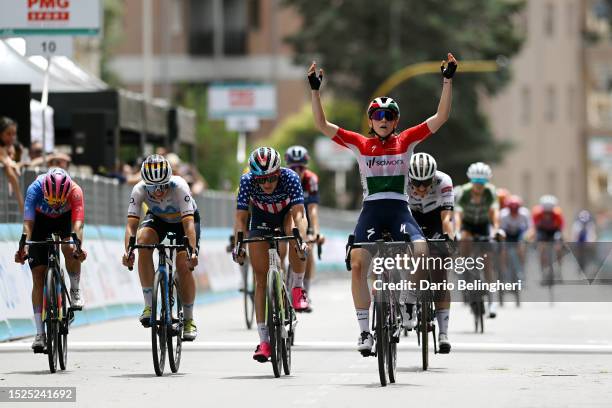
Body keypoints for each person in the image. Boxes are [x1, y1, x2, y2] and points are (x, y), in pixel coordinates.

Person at [308, 53, 456, 353]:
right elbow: (322, 124)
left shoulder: (406, 141)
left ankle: (411, 301)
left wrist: (447, 81)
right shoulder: (361, 144)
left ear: (396, 121)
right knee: (359, 263)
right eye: (378, 116)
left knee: (422, 250)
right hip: (372, 211)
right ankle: (365, 332)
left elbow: (440, 118)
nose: (384, 120)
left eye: (389, 116)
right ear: (371, 121)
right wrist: (315, 90)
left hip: (400, 209)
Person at [231, 147, 310, 362]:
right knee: (260, 280)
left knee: (294, 236)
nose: (266, 184)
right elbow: (240, 219)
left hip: (286, 216)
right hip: (261, 219)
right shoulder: (247, 181)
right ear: (254, 177)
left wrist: (302, 240)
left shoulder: (290, 177)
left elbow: (300, 214)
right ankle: (264, 341)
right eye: (261, 180)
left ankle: (297, 289)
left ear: (279, 172)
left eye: (272, 178)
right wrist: (238, 245)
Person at [121, 154, 200, 341]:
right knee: (143, 239)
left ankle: (189, 319)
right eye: (152, 187)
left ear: (169, 180)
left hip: (184, 221)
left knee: (183, 265)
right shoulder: (139, 189)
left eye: (162, 185)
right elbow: (131, 226)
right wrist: (128, 251)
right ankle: (149, 305)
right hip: (159, 219)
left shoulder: (179, 186)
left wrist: (193, 251)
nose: (157, 191)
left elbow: (189, 224)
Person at [14, 168, 87, 351]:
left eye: (59, 201)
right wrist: (23, 246)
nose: (55, 205)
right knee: (38, 275)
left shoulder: (75, 191)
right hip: (39, 221)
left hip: (65, 221)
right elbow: (28, 224)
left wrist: (78, 247)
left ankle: (75, 290)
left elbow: (78, 224)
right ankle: (40, 334)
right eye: (52, 201)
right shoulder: (35, 189)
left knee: (69, 247)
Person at [407, 152, 454, 353]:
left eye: (426, 183)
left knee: (440, 272)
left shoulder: (444, 181)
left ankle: (443, 333)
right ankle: (408, 298)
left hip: (436, 218)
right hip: (411, 217)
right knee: (406, 255)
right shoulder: (401, 181)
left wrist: (450, 238)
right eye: (416, 184)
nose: (421, 188)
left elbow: (447, 219)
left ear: (433, 177)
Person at [455, 162, 504, 318]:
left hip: (483, 224)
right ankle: (464, 271)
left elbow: (495, 212)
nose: (479, 186)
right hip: (468, 225)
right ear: (471, 181)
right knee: (464, 241)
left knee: (487, 262)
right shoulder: (464, 191)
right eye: (476, 182)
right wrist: (456, 230)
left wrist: (496, 229)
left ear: (487, 181)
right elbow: (458, 214)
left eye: (482, 182)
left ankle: (492, 301)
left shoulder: (490, 192)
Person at [284, 145, 325, 310]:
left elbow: (313, 210)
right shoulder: (284, 178)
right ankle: (278, 280)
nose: (297, 171)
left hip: (304, 218)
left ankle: (304, 292)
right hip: (286, 216)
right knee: (279, 250)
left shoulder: (311, 179)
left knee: (307, 252)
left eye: (301, 167)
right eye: (293, 167)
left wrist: (315, 232)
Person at [530, 195, 564, 283]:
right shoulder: (537, 213)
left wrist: (559, 241)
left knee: (559, 247)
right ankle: (543, 271)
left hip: (554, 231)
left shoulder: (557, 213)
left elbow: (561, 227)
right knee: (541, 248)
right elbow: (535, 228)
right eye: (545, 212)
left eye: (549, 213)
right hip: (542, 231)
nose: (547, 215)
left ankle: (559, 269)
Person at [500, 195, 530, 284]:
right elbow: (500, 230)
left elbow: (529, 228)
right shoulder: (503, 215)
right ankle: (504, 272)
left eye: (515, 211)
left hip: (519, 234)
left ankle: (521, 270)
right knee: (503, 251)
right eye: (511, 211)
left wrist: (527, 238)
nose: (514, 213)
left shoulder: (524, 214)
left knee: (522, 248)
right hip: (507, 234)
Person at [0, 116, 24, 213]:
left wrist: (17, 165)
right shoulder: (1, 149)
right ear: (0, 134)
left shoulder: (17, 148)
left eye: (14, 134)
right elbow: (6, 161)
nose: (12, 137)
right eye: (8, 134)